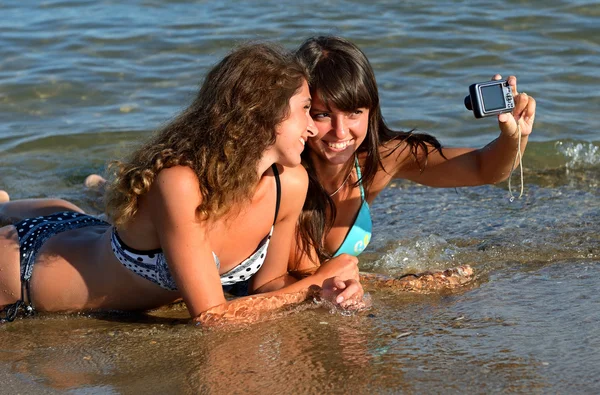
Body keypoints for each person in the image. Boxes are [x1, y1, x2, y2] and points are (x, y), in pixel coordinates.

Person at [0, 42, 363, 325]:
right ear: (263, 114)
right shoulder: (180, 183)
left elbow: (267, 288)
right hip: (23, 273)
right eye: (304, 109)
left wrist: (322, 288)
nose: (314, 128)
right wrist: (318, 279)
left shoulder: (290, 184)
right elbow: (211, 317)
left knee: (68, 213)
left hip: (83, 233)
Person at [276, 35, 537, 279]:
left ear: (371, 110)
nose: (341, 131)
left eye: (354, 112)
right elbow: (297, 279)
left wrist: (514, 135)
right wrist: (408, 284)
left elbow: (485, 170)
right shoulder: (284, 177)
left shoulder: (380, 160)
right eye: (323, 114)